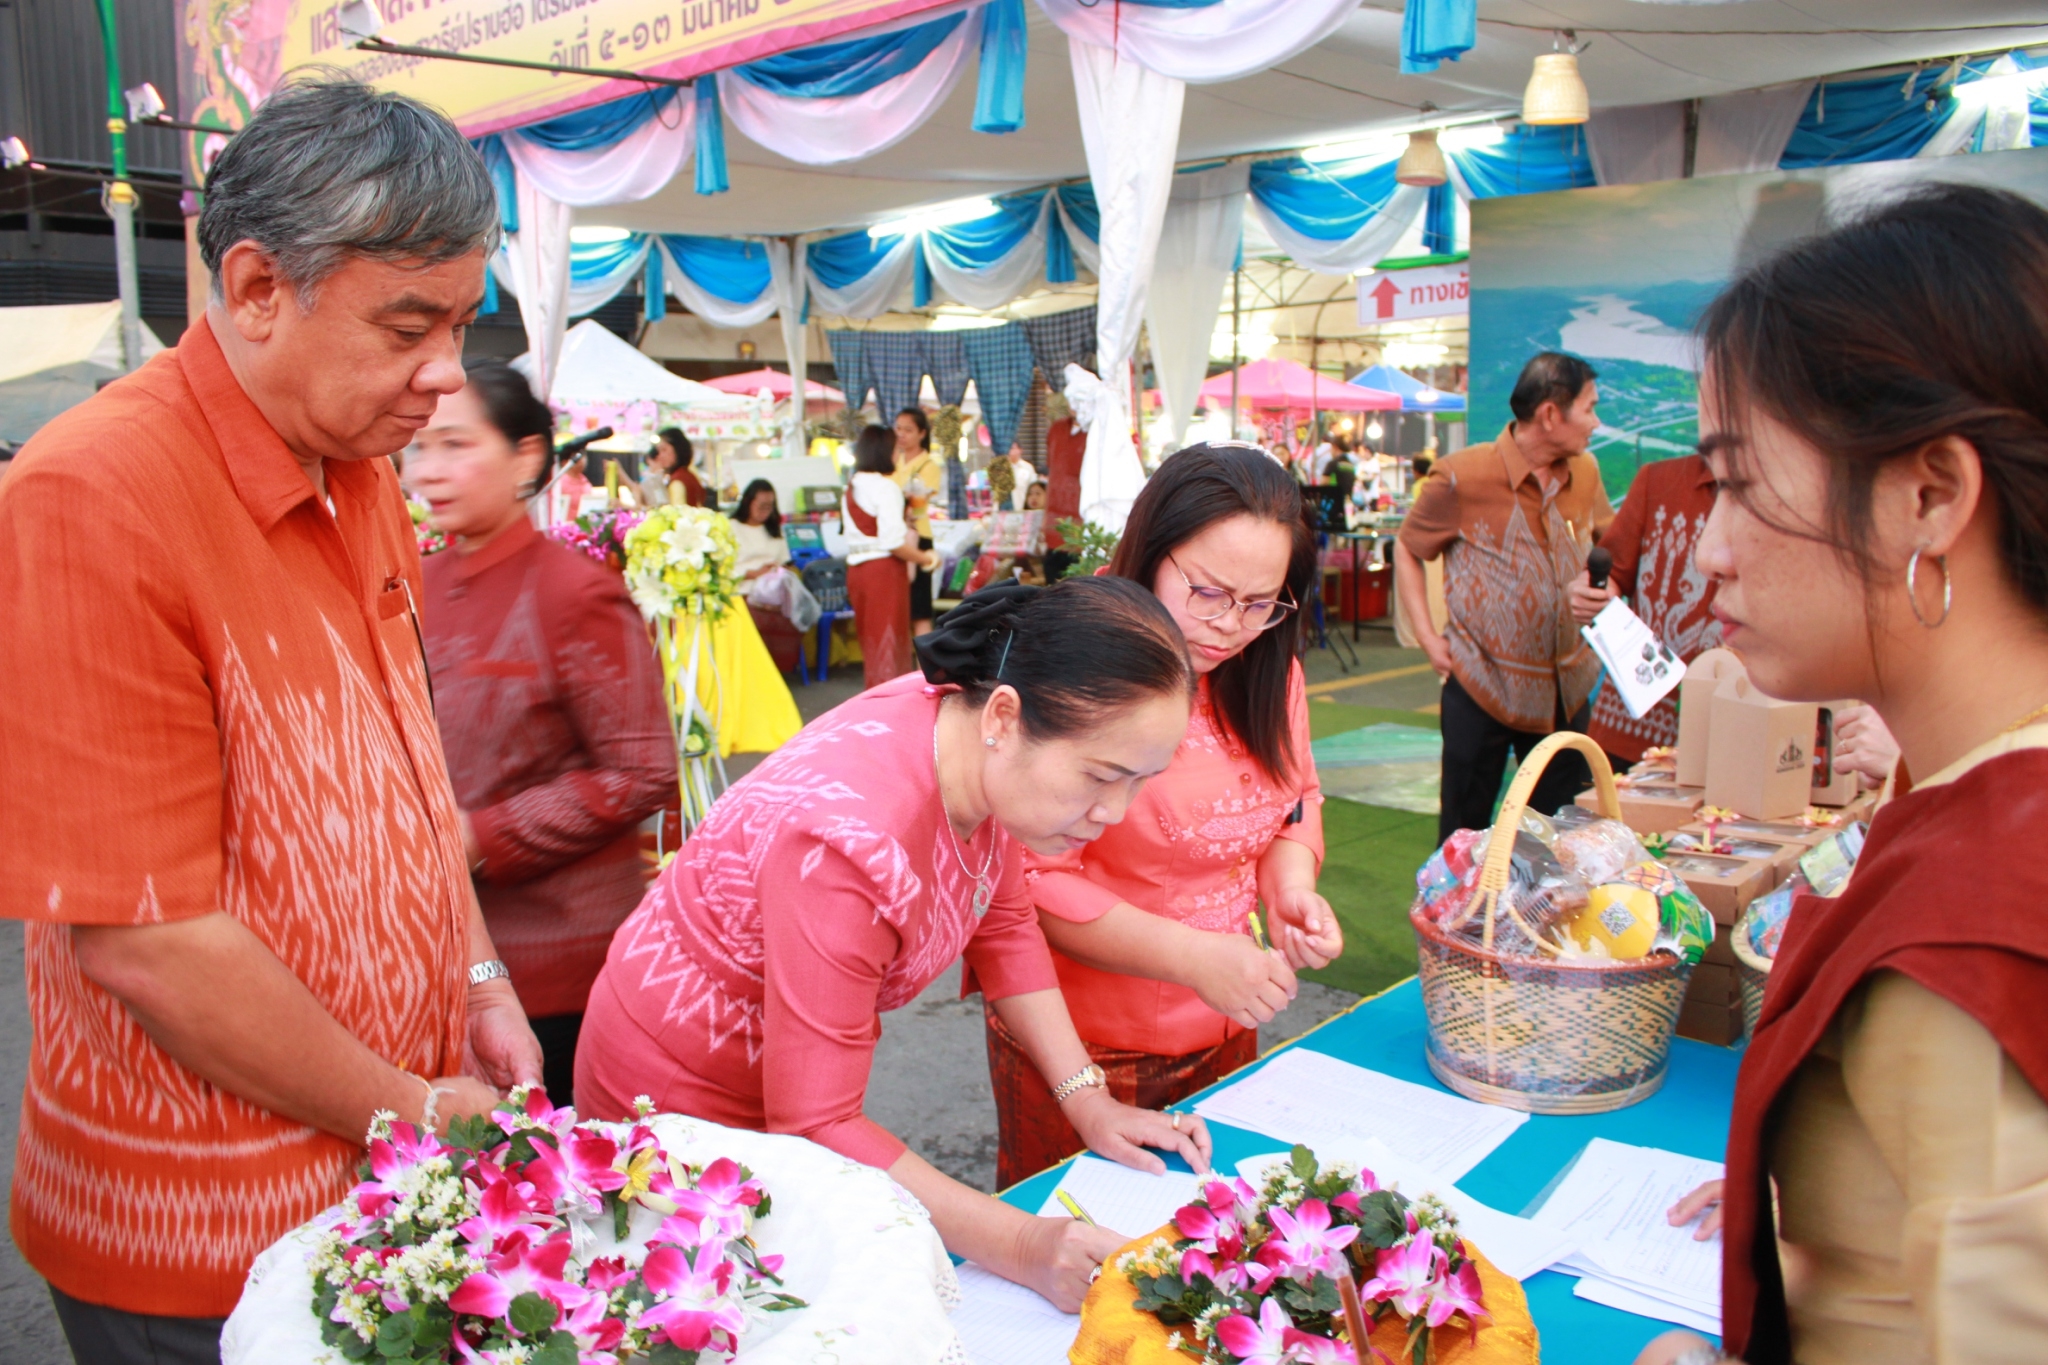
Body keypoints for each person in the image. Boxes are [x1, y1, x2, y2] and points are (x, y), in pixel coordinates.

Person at [0, 76, 541, 1361]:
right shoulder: (92, 496)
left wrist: (479, 977)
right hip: (203, 1234)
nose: (440, 377)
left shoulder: (357, 470)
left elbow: (412, 770)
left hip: (378, 1178)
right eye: (406, 325)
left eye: (460, 325)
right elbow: (150, 941)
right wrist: (411, 1109)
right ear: (252, 289)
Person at [1638, 184, 2048, 1365]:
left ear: (1928, 496)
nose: (1707, 549)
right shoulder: (1968, 801)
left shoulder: (1975, 934)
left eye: (1736, 483)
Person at [575, 579, 1212, 1310]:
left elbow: (1002, 919)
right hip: (679, 1095)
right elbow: (816, 1121)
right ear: (1005, 714)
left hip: (789, 1088)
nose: (1114, 812)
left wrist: (1089, 1100)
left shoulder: (973, 732)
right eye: (1102, 775)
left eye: (1139, 781)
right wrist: (1023, 1243)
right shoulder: (849, 844)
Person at [995, 444, 1343, 1188]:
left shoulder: (1268, 669)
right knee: (1083, 1248)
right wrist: (1192, 957)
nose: (1229, 626)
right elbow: (1030, 881)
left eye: (1260, 602)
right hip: (1088, 1044)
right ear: (1152, 552)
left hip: (1226, 1024)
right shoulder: (1082, 664)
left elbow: (1294, 803)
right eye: (1209, 593)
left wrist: (1289, 892)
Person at [408, 361, 673, 1109]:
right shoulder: (415, 581)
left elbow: (640, 768)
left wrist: (482, 833)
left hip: (558, 965)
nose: (430, 470)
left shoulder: (572, 590)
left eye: (456, 444)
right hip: (440, 954)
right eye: (419, 446)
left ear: (526, 457)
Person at [1395, 352, 1614, 843]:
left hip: (1567, 688)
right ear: (1551, 415)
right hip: (1480, 685)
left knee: (1557, 840)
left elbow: (1611, 545)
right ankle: (1456, 923)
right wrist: (1429, 639)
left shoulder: (1588, 471)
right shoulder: (1460, 476)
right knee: (1463, 838)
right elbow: (1407, 549)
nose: (1597, 423)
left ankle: (1539, 922)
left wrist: (1609, 587)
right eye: (1590, 408)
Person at [1567, 453, 1722, 766]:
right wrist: (1591, 592)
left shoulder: (1797, 494)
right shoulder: (1659, 480)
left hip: (1739, 729)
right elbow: (1613, 571)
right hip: (1634, 725)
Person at [845, 424, 935, 688]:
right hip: (884, 571)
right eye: (896, 448)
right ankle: (889, 706)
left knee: (871, 643)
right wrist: (925, 557)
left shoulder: (852, 485)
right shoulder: (886, 487)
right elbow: (894, 543)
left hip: (857, 572)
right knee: (890, 642)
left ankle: (875, 700)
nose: (898, 453)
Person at [893, 406, 944, 634]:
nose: (901, 434)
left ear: (922, 433)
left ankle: (924, 669)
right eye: (898, 429)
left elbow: (919, 501)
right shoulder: (892, 461)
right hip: (893, 535)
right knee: (897, 610)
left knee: (920, 610)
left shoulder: (929, 465)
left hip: (918, 535)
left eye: (908, 430)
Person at [643, 425, 708, 508]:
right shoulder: (688, 475)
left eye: (664, 450)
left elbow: (676, 514)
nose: (660, 456)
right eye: (659, 451)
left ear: (678, 450)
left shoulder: (678, 481)